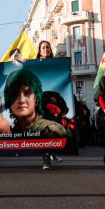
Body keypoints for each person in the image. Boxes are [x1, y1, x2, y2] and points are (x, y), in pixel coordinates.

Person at [35, 40, 63, 170]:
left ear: (50, 50)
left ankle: (53, 153)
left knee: (54, 130)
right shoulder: (34, 64)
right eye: (43, 48)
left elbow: (63, 74)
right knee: (45, 131)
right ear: (39, 51)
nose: (46, 49)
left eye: (47, 47)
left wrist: (69, 74)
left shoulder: (57, 64)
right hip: (41, 104)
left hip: (53, 104)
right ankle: (46, 158)